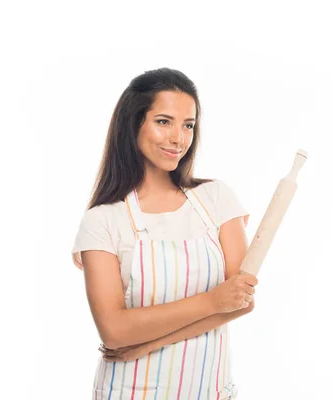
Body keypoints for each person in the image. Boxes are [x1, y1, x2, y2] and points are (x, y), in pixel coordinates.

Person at [71, 67, 258, 400]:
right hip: (129, 391)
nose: (179, 138)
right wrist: (211, 301)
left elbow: (239, 302)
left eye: (188, 125)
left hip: (210, 391)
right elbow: (114, 331)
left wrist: (148, 343)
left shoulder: (216, 198)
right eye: (163, 122)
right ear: (134, 124)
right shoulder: (102, 220)